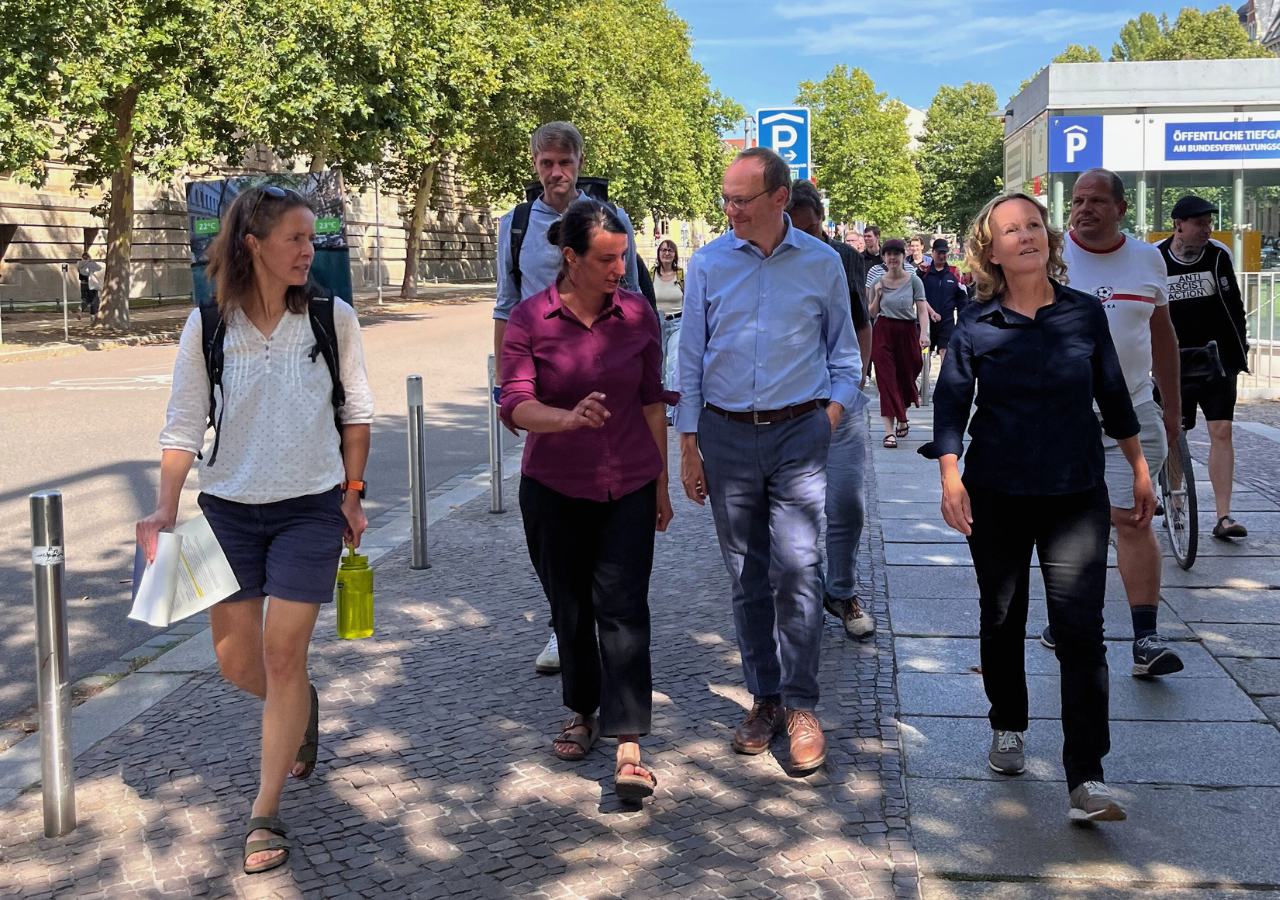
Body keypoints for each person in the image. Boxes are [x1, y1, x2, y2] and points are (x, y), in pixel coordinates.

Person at [137, 186, 374, 873]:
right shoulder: (207, 325)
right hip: (227, 512)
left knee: (279, 654)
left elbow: (356, 413)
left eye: (311, 239)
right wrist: (163, 506)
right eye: (296, 239)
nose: (309, 251)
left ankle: (263, 813)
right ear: (254, 245)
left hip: (310, 509)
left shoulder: (332, 318)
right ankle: (301, 707)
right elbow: (183, 425)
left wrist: (352, 493)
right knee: (237, 664)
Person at [922, 191, 1152, 824]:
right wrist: (950, 477)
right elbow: (950, 407)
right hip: (995, 492)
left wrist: (1137, 465)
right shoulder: (975, 324)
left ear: (1046, 238)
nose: (1025, 237)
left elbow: (1111, 391)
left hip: (1075, 494)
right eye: (1010, 231)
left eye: (1032, 226)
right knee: (1001, 617)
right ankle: (1008, 725)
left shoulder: (1083, 314)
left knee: (1081, 634)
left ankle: (1087, 776)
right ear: (990, 250)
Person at [677, 147, 861, 772]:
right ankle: (765, 698)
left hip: (798, 436)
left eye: (741, 200)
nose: (729, 210)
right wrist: (689, 445)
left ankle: (803, 704)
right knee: (748, 575)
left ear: (780, 199)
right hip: (725, 437)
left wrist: (826, 419)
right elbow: (691, 360)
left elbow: (844, 355)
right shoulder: (707, 264)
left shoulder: (822, 264)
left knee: (799, 569)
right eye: (725, 198)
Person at [500, 199, 676, 801]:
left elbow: (652, 399)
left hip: (627, 482)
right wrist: (566, 419)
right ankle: (581, 708)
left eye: (623, 256)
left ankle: (629, 744)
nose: (619, 270)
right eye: (606, 259)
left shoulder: (638, 315)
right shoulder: (529, 320)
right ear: (569, 257)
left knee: (624, 609)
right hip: (552, 487)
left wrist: (661, 482)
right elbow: (514, 403)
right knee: (569, 607)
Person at [492, 121, 640, 676]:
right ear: (534, 164)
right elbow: (506, 308)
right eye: (546, 163)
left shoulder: (610, 219)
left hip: (601, 370)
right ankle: (565, 620)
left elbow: (631, 299)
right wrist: (505, 386)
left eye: (565, 162)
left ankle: (602, 618)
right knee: (547, 513)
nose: (556, 173)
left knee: (605, 497)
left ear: (580, 163)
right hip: (541, 382)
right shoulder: (515, 226)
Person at [1057, 168, 1184, 678]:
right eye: (1078, 200)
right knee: (1066, 524)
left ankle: (1146, 637)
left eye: (1096, 201)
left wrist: (1172, 409)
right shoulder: (1051, 255)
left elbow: (1163, 337)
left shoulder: (1148, 258)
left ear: (1121, 209)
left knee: (1134, 516)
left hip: (1131, 412)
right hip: (1061, 416)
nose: (1084, 209)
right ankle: (1068, 616)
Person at [786, 180, 875, 640]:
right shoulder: (773, 259)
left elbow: (862, 320)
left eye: (814, 227)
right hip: (791, 404)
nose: (808, 237)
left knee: (846, 502)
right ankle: (804, 594)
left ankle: (841, 590)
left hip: (839, 397)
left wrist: (855, 379)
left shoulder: (843, 257)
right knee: (793, 511)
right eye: (798, 230)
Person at [1157, 195, 1250, 539]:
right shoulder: (1156, 259)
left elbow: (1234, 307)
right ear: (1178, 224)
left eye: (1209, 223)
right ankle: (1175, 504)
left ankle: (1224, 516)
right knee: (1173, 433)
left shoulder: (1218, 254)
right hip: (1173, 360)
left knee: (1221, 430)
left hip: (1216, 358)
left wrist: (1239, 353)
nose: (1206, 229)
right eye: (1199, 223)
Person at [869, 239, 929, 448]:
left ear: (904, 257)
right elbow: (872, 313)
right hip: (883, 330)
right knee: (886, 380)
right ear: (884, 258)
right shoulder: (877, 281)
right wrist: (877, 295)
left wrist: (924, 334)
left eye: (897, 254)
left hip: (907, 331)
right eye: (888, 254)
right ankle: (888, 432)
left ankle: (902, 415)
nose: (892, 258)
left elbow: (921, 309)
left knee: (908, 373)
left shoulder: (914, 281)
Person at [920, 238, 966, 360]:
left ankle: (944, 379)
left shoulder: (955, 272)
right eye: (939, 253)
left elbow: (962, 299)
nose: (941, 256)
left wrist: (962, 320)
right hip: (927, 321)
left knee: (945, 351)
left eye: (944, 253)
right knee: (925, 353)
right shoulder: (924, 272)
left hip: (947, 320)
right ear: (932, 253)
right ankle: (924, 379)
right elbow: (917, 296)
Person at [651, 239, 685, 397]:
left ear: (675, 254)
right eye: (663, 250)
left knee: (673, 365)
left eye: (670, 250)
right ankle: (659, 404)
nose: (666, 253)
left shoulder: (681, 276)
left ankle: (671, 410)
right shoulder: (651, 275)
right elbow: (644, 297)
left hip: (677, 324)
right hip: (656, 325)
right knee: (658, 367)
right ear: (658, 254)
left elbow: (691, 298)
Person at [77, 252, 102, 318]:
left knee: (84, 299)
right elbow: (99, 268)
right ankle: (92, 314)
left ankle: (80, 309)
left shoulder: (79, 264)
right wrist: (92, 262)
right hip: (91, 284)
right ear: (88, 257)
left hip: (82, 284)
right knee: (94, 299)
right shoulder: (90, 263)